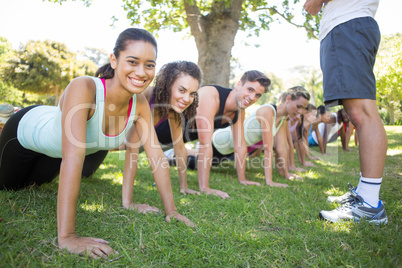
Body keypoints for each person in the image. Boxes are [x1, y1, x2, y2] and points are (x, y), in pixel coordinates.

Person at [0, 28, 193, 259]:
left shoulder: (140, 103)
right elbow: (73, 158)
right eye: (132, 61)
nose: (141, 72)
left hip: (53, 153)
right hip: (24, 132)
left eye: (149, 65)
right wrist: (68, 237)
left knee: (29, 187)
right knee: (7, 187)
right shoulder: (85, 87)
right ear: (114, 60)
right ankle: (7, 117)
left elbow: (156, 157)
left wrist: (171, 210)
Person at [305, 0, 388, 224]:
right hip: (345, 26)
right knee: (356, 113)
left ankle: (370, 205)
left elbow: (311, 5)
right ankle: (364, 195)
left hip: (348, 25)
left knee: (362, 114)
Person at [156, 70, 270, 198]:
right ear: (239, 85)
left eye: (257, 95)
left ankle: (168, 154)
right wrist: (205, 188)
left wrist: (242, 179)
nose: (252, 98)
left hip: (177, 143)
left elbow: (240, 145)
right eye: (250, 89)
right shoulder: (210, 95)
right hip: (156, 132)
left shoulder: (239, 110)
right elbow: (205, 144)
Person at [122, 61, 202, 201]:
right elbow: (131, 150)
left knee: (86, 173)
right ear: (167, 85)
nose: (187, 99)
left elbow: (179, 148)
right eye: (182, 90)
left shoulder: (172, 110)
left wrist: (184, 186)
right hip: (102, 139)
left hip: (119, 142)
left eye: (192, 94)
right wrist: (128, 202)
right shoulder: (146, 95)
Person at [212, 86, 310, 187]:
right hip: (219, 142)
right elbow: (268, 149)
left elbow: (281, 148)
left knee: (215, 163)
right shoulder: (268, 111)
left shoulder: (282, 119)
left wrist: (286, 174)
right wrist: (269, 182)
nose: (301, 111)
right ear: (288, 99)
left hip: (231, 150)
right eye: (299, 106)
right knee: (196, 163)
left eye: (303, 108)